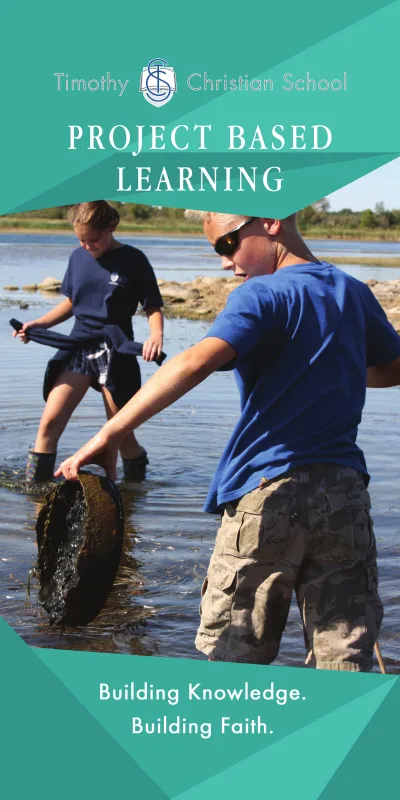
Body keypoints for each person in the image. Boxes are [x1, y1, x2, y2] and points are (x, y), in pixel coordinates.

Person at [56, 212, 400, 671]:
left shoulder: (261, 293)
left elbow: (194, 362)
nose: (225, 263)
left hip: (269, 492)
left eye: (227, 244)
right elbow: (395, 367)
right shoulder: (352, 292)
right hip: (345, 496)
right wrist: (322, 369)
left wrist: (108, 434)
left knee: (233, 656)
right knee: (345, 656)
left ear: (272, 222)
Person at [13, 200, 164, 482]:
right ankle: (35, 494)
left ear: (111, 227)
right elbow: (72, 302)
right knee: (48, 425)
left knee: (120, 434)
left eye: (92, 240)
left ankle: (131, 491)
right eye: (81, 240)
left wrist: (156, 335)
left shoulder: (135, 260)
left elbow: (152, 306)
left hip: (115, 350)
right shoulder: (77, 257)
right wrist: (38, 323)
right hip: (78, 347)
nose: (87, 246)